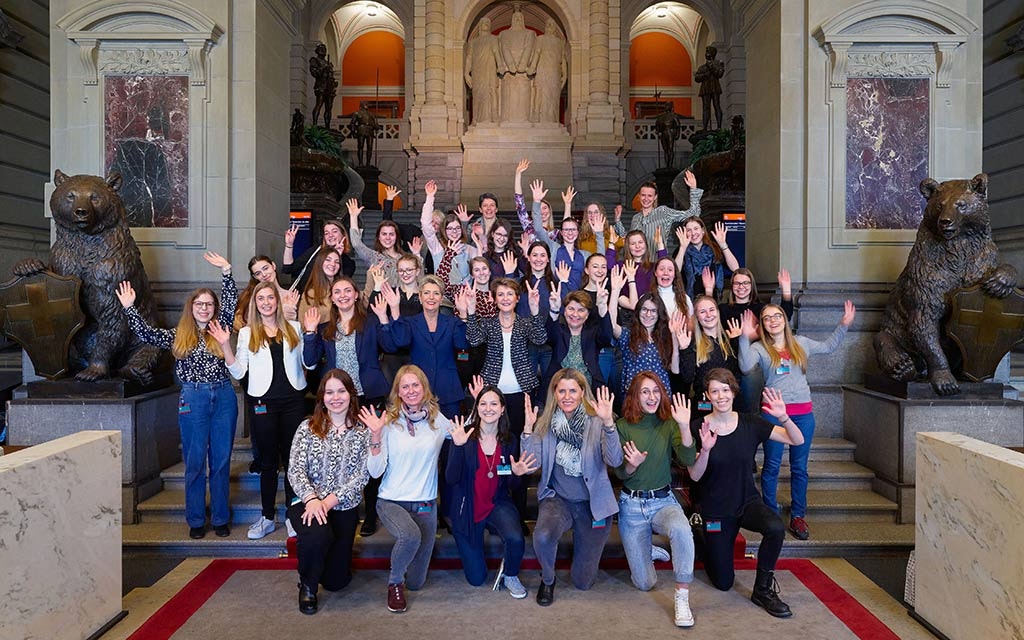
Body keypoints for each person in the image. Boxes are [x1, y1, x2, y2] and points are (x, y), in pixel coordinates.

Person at [116, 252, 237, 539]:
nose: (204, 308)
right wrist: (130, 308)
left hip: (223, 397)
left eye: (209, 304)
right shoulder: (176, 335)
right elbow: (146, 334)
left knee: (220, 462)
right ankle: (196, 520)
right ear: (191, 308)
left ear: (215, 308)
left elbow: (231, 301)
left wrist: (227, 271)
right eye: (199, 304)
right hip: (192, 399)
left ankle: (220, 518)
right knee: (195, 462)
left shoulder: (222, 329)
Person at [686, 368, 804, 617]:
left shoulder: (751, 423)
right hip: (716, 509)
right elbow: (694, 475)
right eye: (715, 391)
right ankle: (701, 533)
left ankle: (762, 589)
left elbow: (797, 440)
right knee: (723, 583)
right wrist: (705, 450)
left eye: (725, 389)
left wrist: (784, 417)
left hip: (746, 501)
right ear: (707, 395)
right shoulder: (698, 427)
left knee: (775, 527)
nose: (721, 396)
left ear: (733, 392)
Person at [739, 300, 855, 541]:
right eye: (767, 318)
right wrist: (744, 337)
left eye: (777, 316)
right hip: (773, 413)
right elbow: (745, 365)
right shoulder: (760, 348)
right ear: (762, 324)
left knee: (799, 468)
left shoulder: (801, 343)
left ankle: (798, 515)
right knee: (771, 466)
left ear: (784, 319)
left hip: (802, 414)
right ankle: (770, 513)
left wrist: (843, 324)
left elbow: (829, 347)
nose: (773, 320)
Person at [303, 276, 396, 537]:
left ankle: (371, 513)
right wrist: (309, 333)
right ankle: (345, 507)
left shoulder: (371, 321)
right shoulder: (324, 328)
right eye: (337, 292)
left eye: (348, 291)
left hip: (367, 396)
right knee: (343, 454)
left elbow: (391, 345)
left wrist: (385, 318)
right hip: (337, 402)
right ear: (331, 298)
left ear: (356, 295)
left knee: (371, 453)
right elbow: (310, 362)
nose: (342, 295)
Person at [522, 370, 623, 605]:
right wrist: (528, 430)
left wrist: (609, 424)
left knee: (583, 582)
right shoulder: (545, 424)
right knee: (544, 535)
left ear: (582, 393)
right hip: (559, 500)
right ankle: (547, 580)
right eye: (562, 391)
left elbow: (615, 460)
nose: (567, 396)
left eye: (573, 391)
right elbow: (531, 464)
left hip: (592, 504)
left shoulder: (597, 420)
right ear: (554, 394)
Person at [216, 280, 307, 540]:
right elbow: (239, 372)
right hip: (262, 402)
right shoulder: (246, 333)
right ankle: (267, 517)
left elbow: (308, 364)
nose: (266, 302)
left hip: (292, 400)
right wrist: (225, 346)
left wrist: (309, 335)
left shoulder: (295, 328)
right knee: (268, 463)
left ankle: (293, 515)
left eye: (270, 298)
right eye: (261, 299)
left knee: (293, 462)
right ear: (255, 304)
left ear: (277, 302)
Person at [361, 365, 453, 613]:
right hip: (392, 500)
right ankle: (394, 584)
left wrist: (478, 405)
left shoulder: (437, 420)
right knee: (410, 536)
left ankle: (405, 579)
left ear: (424, 389)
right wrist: (376, 436)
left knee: (417, 582)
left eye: (416, 385)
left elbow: (462, 434)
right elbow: (375, 471)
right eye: (405, 387)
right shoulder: (388, 423)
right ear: (398, 392)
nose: (411, 391)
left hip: (426, 503)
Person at [615, 374, 697, 627]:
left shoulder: (669, 422)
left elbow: (687, 459)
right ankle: (648, 549)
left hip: (663, 501)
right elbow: (619, 472)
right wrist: (632, 464)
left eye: (655, 391)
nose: (651, 397)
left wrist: (684, 426)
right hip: (631, 506)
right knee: (644, 583)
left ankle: (682, 596)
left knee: (682, 529)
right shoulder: (622, 425)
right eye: (644, 392)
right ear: (635, 396)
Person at [286, 370, 370, 614]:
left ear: (350, 394)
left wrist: (328, 501)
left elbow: (362, 475)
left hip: (342, 505)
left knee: (337, 582)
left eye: (341, 391)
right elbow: (295, 469)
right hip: (306, 501)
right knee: (317, 536)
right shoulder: (307, 427)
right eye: (329, 392)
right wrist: (313, 499)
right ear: (322, 397)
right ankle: (308, 586)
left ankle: (322, 561)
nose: (336, 397)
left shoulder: (363, 431)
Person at [446, 384, 538, 597]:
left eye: (494, 403)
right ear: (477, 407)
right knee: (477, 579)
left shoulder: (509, 441)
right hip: (467, 508)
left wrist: (517, 473)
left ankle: (511, 575)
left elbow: (511, 485)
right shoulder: (464, 437)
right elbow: (451, 478)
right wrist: (457, 447)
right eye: (483, 403)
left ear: (503, 408)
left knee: (516, 538)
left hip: (497, 503)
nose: (488, 408)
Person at [382, 275, 470, 419]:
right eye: (427, 293)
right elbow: (400, 342)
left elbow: (462, 345)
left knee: (451, 436)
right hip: (419, 391)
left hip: (448, 389)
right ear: (420, 297)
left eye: (436, 293)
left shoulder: (452, 322)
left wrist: (463, 313)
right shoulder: (410, 322)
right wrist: (395, 309)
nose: (431, 297)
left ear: (441, 299)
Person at [608, 265, 684, 395]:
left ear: (659, 313)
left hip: (660, 396)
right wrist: (615, 291)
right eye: (644, 309)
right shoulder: (629, 335)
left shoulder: (665, 337)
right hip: (634, 396)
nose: (648, 314)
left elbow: (675, 370)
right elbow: (611, 325)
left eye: (653, 311)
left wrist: (674, 337)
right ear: (638, 312)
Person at [531, 180, 603, 291]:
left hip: (580, 297)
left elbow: (600, 259)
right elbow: (539, 229)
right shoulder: (553, 248)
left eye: (573, 229)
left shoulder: (584, 255)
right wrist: (536, 202)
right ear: (561, 232)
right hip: (558, 295)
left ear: (577, 232)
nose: (570, 233)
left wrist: (599, 234)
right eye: (566, 230)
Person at [543, 288, 613, 397]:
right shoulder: (558, 331)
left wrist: (603, 307)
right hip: (559, 392)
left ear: (587, 315)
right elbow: (550, 335)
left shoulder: (593, 333)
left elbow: (606, 337)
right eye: (571, 309)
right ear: (565, 311)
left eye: (581, 310)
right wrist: (554, 309)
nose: (575, 314)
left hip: (588, 391)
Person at [678, 295, 742, 414]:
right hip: (704, 405)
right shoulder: (692, 343)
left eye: (712, 310)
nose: (708, 315)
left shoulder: (730, 339)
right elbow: (687, 378)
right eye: (702, 312)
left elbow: (737, 374)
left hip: (728, 403)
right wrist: (684, 349)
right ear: (697, 316)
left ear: (717, 312)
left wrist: (737, 341)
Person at [630, 173, 703, 259]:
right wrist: (618, 221)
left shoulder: (664, 212)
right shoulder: (635, 218)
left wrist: (693, 189)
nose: (646, 199)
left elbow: (693, 214)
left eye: (649, 196)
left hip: (657, 266)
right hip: (636, 267)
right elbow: (629, 241)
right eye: (643, 195)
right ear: (639, 196)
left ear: (655, 197)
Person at [675, 217, 739, 300]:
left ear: (703, 230)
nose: (693, 233)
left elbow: (735, 268)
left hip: (713, 298)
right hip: (689, 300)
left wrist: (723, 244)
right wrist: (682, 248)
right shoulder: (680, 250)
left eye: (696, 228)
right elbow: (675, 271)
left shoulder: (714, 248)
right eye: (689, 230)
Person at [283, 218, 355, 292]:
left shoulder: (348, 263)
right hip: (304, 298)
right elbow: (288, 269)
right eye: (326, 233)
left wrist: (337, 256)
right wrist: (289, 245)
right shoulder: (315, 250)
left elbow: (337, 286)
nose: (330, 235)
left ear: (343, 235)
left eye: (334, 231)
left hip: (325, 300)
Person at [347, 197, 404, 291]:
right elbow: (357, 244)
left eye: (391, 234)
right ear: (379, 237)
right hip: (378, 300)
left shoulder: (404, 258)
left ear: (396, 237)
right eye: (384, 234)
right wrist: (353, 217)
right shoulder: (373, 256)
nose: (388, 238)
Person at [297, 248, 341, 322]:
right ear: (320, 262)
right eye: (328, 260)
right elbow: (303, 324)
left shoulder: (344, 289)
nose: (333, 264)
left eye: (337, 262)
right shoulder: (311, 293)